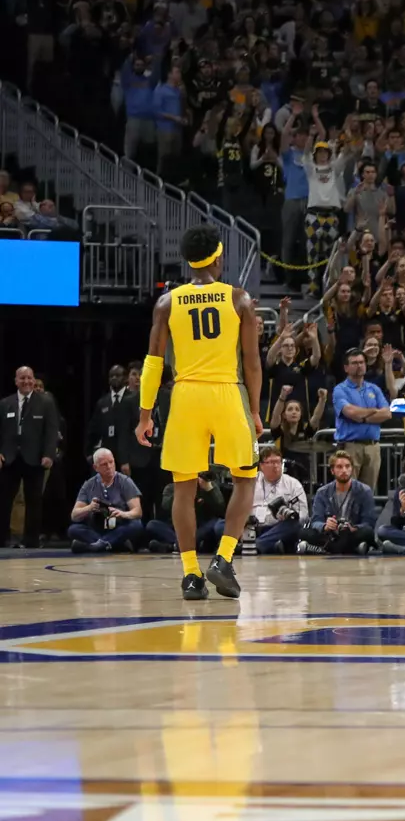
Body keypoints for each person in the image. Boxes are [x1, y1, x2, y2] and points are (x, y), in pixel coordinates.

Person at [135, 225, 265, 601]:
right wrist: (255, 411)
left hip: (185, 395)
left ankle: (191, 573)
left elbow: (152, 364)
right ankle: (223, 558)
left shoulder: (167, 302)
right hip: (227, 392)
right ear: (219, 258)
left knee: (183, 486)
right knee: (245, 478)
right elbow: (252, 364)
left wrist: (145, 416)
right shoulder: (239, 299)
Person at [0, 364, 60, 549]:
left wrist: (49, 454)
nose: (26, 381)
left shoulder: (46, 402)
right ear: (16, 381)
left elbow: (51, 431)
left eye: (29, 378)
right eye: (22, 378)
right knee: (3, 500)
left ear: (34, 380)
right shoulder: (5, 403)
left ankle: (31, 540)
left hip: (35, 458)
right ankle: (2, 539)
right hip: (9, 458)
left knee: (34, 501)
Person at [331, 349, 393, 489]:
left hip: (373, 447)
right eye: (354, 363)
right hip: (350, 447)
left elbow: (387, 413)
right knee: (347, 490)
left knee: (368, 493)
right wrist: (374, 411)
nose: (359, 365)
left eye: (361, 362)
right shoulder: (340, 390)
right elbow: (350, 412)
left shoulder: (374, 389)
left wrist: (363, 418)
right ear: (346, 368)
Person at [67, 447, 145, 553]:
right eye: (104, 464)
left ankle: (98, 545)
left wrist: (122, 514)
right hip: (98, 527)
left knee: (136, 525)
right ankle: (114, 545)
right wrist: (89, 508)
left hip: (119, 526)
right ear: (96, 467)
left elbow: (137, 512)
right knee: (74, 529)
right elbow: (74, 515)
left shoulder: (125, 481)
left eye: (111, 462)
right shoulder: (89, 484)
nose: (109, 467)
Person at [249, 447, 308, 554]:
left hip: (279, 528)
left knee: (294, 525)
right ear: (261, 465)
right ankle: (268, 545)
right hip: (253, 526)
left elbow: (303, 515)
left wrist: (287, 515)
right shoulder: (251, 482)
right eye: (271, 462)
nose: (276, 466)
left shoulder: (293, 484)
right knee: (221, 525)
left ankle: (257, 545)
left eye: (278, 462)